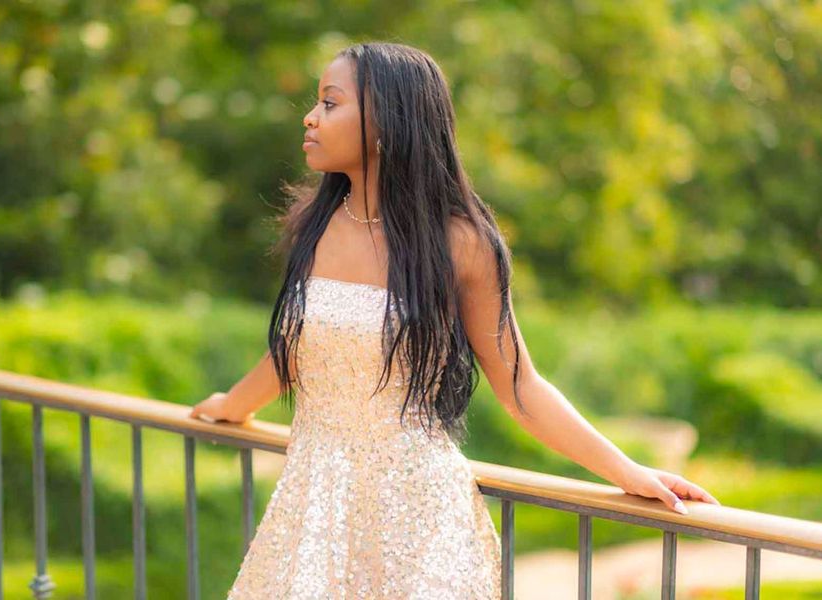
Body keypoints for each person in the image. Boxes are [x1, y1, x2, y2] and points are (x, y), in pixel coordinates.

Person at [189, 41, 720, 599]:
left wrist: (629, 472)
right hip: (311, 511)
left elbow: (520, 386)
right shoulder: (315, 225)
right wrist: (232, 406)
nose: (310, 116)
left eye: (330, 103)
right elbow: (296, 350)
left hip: (418, 523)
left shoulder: (459, 242)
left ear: (387, 122)